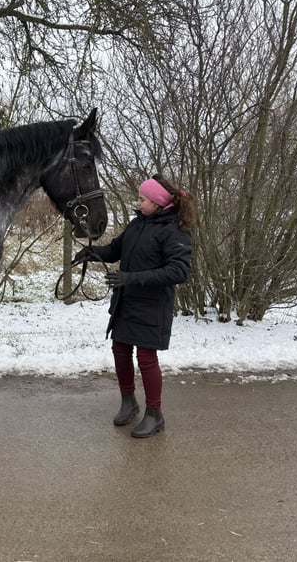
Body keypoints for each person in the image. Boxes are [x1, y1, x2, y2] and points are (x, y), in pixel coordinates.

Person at [74, 174, 195, 438]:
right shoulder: (137, 224)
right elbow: (116, 249)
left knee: (146, 359)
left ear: (158, 202)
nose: (138, 202)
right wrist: (92, 253)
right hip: (127, 302)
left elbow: (178, 271)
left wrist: (132, 278)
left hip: (152, 306)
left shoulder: (174, 230)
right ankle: (128, 402)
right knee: (119, 350)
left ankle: (155, 414)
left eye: (142, 199)